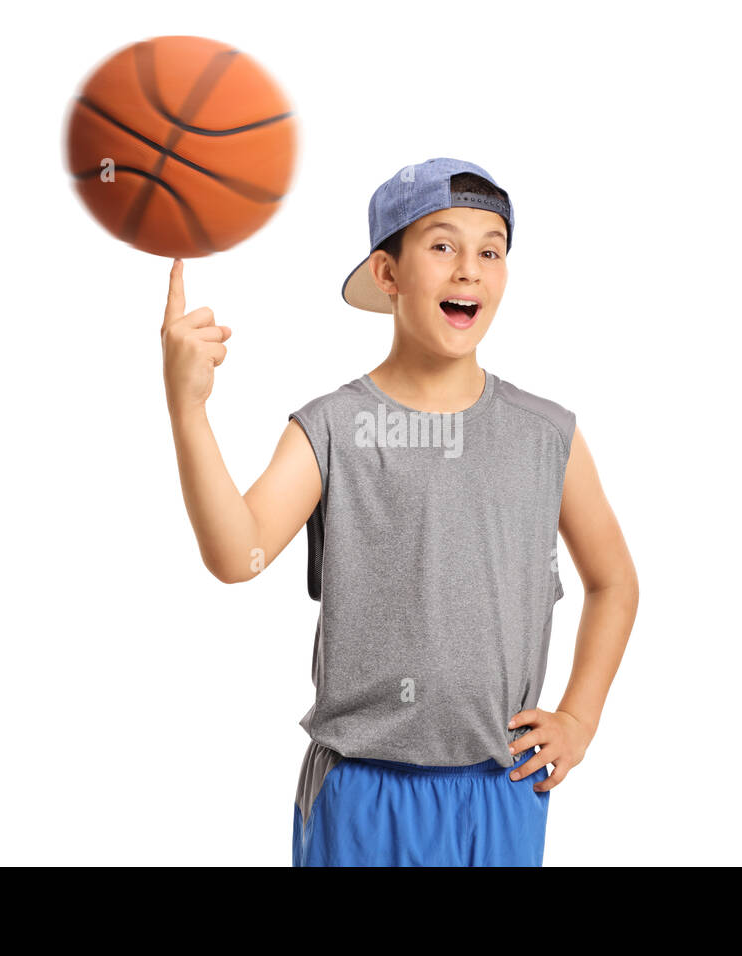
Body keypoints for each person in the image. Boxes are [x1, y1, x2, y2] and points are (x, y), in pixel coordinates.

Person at [160, 157, 638, 866]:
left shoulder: (547, 435)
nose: (468, 269)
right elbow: (238, 555)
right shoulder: (333, 428)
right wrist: (189, 408)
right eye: (442, 245)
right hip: (364, 798)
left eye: (490, 251)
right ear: (387, 274)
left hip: (500, 791)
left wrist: (578, 718)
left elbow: (615, 582)